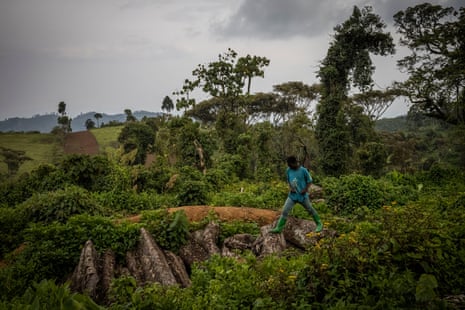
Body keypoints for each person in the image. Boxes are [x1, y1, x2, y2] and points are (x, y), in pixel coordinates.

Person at [270, 156, 323, 233]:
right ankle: (279, 228)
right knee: (285, 211)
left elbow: (310, 181)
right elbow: (289, 180)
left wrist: (305, 189)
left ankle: (319, 224)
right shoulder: (288, 170)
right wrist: (291, 188)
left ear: (295, 162)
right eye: (288, 164)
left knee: (310, 209)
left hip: (302, 196)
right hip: (292, 195)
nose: (289, 166)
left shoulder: (303, 170)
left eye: (290, 164)